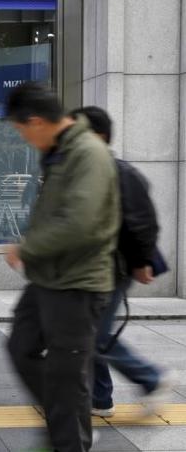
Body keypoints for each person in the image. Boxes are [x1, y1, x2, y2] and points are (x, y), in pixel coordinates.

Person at [3, 83, 119, 452]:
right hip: (46, 280)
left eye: (21, 131)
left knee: (67, 378)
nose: (23, 139)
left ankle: (69, 435)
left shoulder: (88, 153)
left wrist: (28, 247)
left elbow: (80, 222)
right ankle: (63, 420)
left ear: (36, 121)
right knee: (22, 349)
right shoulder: (60, 152)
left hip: (77, 285)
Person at [70, 106, 176, 418]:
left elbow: (143, 220)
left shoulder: (119, 171)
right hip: (91, 266)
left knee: (96, 335)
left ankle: (151, 378)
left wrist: (142, 260)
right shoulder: (89, 171)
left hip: (113, 268)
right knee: (88, 332)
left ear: (99, 136)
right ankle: (100, 399)